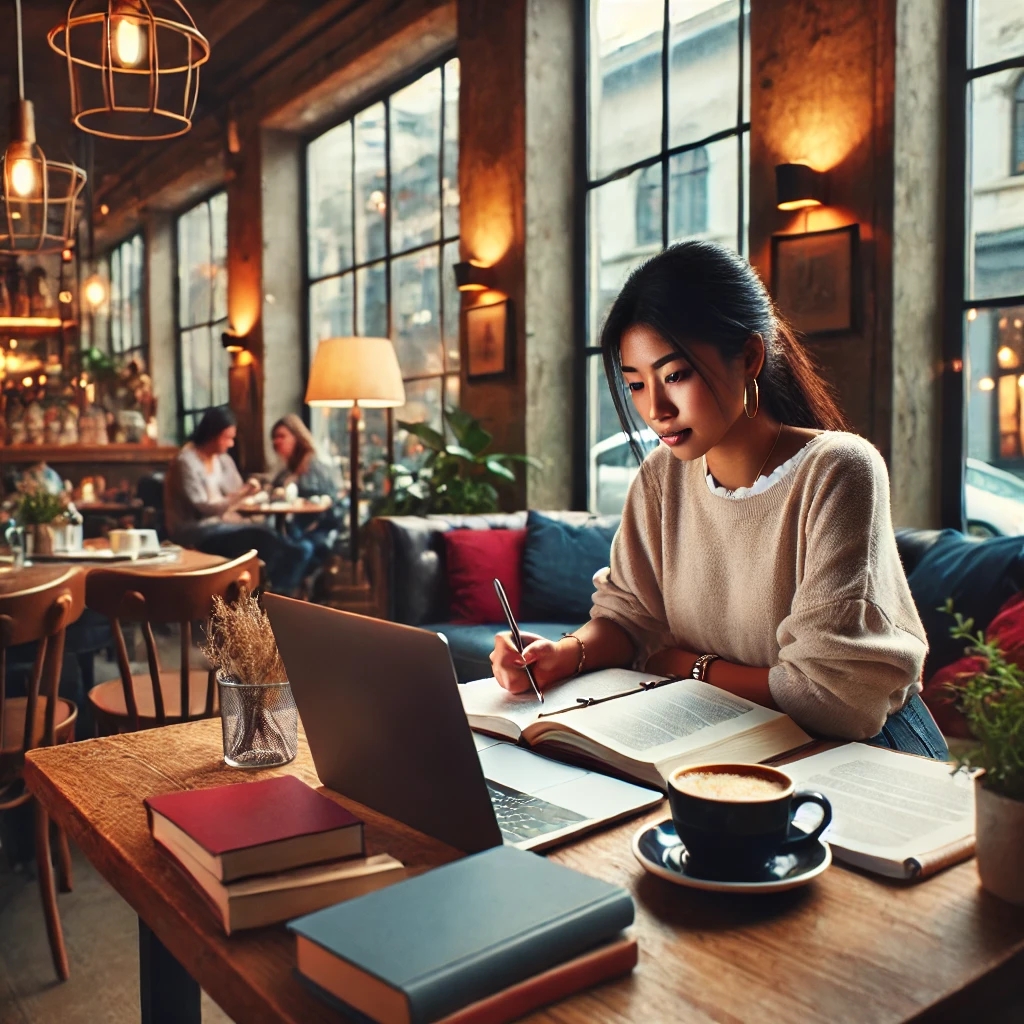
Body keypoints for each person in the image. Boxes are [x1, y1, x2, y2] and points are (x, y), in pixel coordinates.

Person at [489, 241, 947, 760]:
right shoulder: (662, 478)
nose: (656, 408)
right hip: (726, 738)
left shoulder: (838, 469)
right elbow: (629, 618)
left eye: (675, 375)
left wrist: (687, 666)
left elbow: (831, 698)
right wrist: (562, 654)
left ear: (750, 357)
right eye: (636, 384)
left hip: (864, 754)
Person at [165, 407, 312, 594]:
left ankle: (276, 588)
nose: (231, 444)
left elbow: (236, 490)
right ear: (212, 434)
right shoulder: (186, 461)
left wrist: (249, 490)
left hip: (219, 524)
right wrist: (243, 494)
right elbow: (205, 508)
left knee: (265, 532)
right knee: (260, 536)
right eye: (227, 437)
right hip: (193, 530)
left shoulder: (221, 459)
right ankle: (278, 588)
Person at [269, 414, 342, 570]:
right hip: (293, 525)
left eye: (282, 436)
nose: (277, 441)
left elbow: (326, 498)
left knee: (297, 548)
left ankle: (286, 589)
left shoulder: (313, 463)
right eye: (274, 437)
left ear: (297, 436)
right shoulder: (286, 466)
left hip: (315, 526)